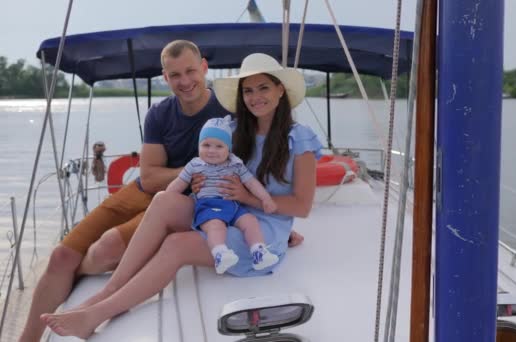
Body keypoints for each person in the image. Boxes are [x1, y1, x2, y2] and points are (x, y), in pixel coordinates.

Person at [41, 52, 322, 339]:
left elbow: (302, 206)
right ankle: (110, 290)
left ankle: (97, 314)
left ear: (280, 91)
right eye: (248, 90)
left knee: (176, 245)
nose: (255, 97)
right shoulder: (234, 129)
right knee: (164, 200)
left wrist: (248, 199)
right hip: (226, 212)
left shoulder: (298, 138)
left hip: (259, 234)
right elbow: (208, 165)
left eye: (264, 88)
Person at [18, 39, 234, 342]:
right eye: (175, 75)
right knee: (59, 258)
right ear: (165, 77)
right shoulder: (160, 114)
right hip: (143, 190)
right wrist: (192, 171)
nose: (185, 81)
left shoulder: (229, 112)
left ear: (204, 68)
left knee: (107, 247)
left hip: (180, 202)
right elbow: (148, 175)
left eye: (190, 71)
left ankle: (75, 280)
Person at [167, 115, 279, 274]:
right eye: (206, 145)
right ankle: (219, 253)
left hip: (233, 206)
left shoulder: (236, 164)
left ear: (229, 148)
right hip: (209, 206)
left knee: (250, 221)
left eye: (219, 146)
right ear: (198, 146)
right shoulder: (195, 165)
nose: (212, 151)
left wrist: (266, 198)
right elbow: (178, 184)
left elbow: (251, 183)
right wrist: (167, 197)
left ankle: (258, 252)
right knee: (215, 226)